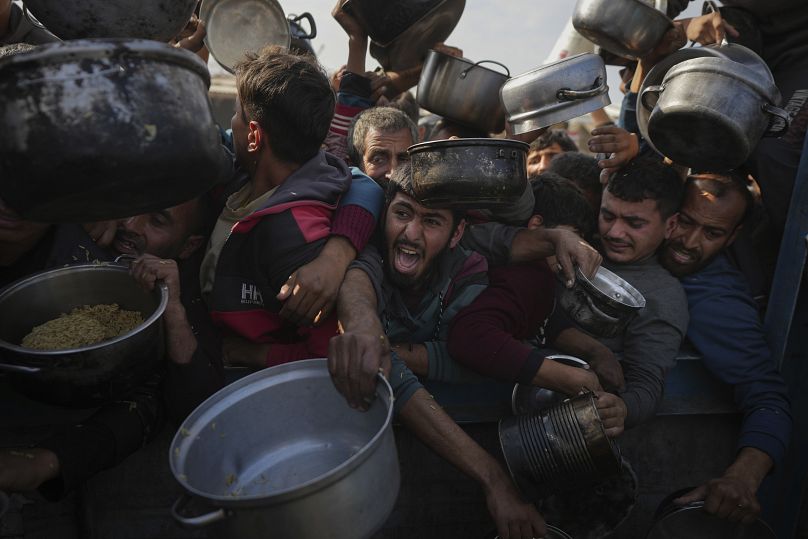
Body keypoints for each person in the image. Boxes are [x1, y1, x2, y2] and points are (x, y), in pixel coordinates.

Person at [328, 167, 547, 538]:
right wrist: (366, 330)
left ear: (456, 234)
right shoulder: (371, 254)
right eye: (402, 214)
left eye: (431, 221)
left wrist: (394, 351)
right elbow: (357, 286)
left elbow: (474, 359)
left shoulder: (469, 273)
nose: (411, 233)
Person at [0, 198, 223, 498]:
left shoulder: (183, 286)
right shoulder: (71, 223)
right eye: (129, 204)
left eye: (156, 221)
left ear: (188, 246)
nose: (129, 225)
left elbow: (188, 405)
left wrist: (52, 460)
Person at [201, 46, 383, 368]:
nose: (232, 125)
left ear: (254, 136)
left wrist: (246, 354)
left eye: (237, 115)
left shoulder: (296, 235)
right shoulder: (244, 177)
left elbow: (324, 355)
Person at [657, 172, 791, 523]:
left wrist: (743, 476)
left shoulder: (716, 300)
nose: (689, 241)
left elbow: (767, 397)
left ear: (733, 238)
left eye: (712, 233)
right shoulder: (628, 231)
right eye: (685, 222)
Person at [593, 157, 689, 429]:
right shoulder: (574, 242)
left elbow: (647, 383)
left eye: (634, 223)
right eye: (607, 216)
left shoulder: (662, 296)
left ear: (670, 226)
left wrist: (623, 409)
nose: (614, 232)